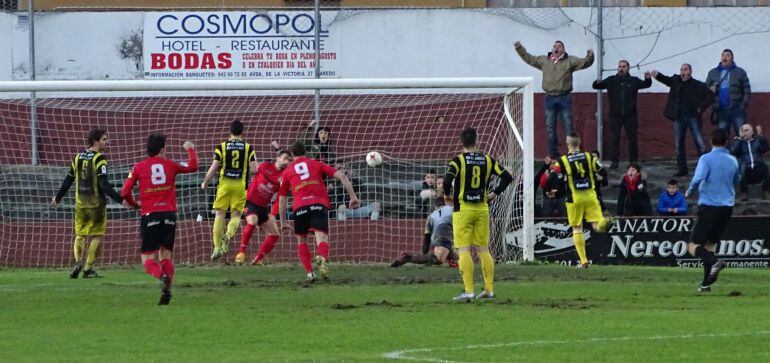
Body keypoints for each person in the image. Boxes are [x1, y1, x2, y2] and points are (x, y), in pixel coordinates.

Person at [121, 134, 198, 305]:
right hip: (169, 216)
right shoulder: (171, 165)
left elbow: (125, 192)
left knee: (148, 259)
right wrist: (190, 149)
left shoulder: (139, 167)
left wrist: (135, 204)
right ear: (162, 148)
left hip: (150, 216)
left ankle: (161, 276)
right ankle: (167, 290)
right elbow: (193, 166)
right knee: (167, 255)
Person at [443, 128, 513, 300]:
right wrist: (494, 194)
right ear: (477, 140)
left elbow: (446, 180)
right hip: (482, 208)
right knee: (483, 249)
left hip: (463, 210)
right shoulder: (487, 160)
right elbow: (507, 177)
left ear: (461, 142)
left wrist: (446, 195)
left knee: (464, 249)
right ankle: (489, 289)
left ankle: (469, 291)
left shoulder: (458, 161)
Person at [278, 141, 360, 282]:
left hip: (300, 208)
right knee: (321, 238)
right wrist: (353, 197)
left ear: (292, 155)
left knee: (302, 241)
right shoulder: (317, 163)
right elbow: (342, 177)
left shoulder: (287, 172)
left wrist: (283, 222)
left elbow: (282, 199)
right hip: (318, 205)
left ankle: (310, 273)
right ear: (306, 152)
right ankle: (321, 258)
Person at [51, 129, 125, 279]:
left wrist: (58, 198)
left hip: (81, 204)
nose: (107, 142)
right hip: (97, 205)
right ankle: (88, 269)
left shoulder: (77, 157)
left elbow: (68, 180)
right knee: (96, 236)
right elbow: (104, 184)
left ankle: (78, 262)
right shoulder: (100, 159)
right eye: (104, 139)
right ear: (95, 141)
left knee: (80, 235)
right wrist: (121, 199)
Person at [514, 40, 594, 157]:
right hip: (549, 99)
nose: (556, 47)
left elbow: (585, 63)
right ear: (552, 49)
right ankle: (553, 155)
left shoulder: (570, 61)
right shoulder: (544, 61)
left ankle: (572, 153)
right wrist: (519, 48)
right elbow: (529, 58)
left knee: (568, 127)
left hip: (564, 98)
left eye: (560, 46)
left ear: (563, 50)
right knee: (550, 128)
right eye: (555, 46)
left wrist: (590, 56)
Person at [684, 128, 740, 292]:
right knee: (709, 245)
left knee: (693, 246)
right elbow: (737, 179)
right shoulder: (733, 160)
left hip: (709, 206)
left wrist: (690, 190)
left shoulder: (706, 159)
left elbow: (699, 177)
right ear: (726, 142)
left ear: (710, 141)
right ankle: (705, 284)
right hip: (727, 207)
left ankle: (716, 262)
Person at [201, 120, 257, 261]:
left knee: (219, 214)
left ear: (230, 132)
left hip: (224, 185)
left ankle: (217, 248)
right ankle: (228, 235)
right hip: (240, 186)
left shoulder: (222, 147)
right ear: (242, 132)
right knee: (236, 216)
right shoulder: (248, 148)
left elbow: (214, 168)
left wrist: (205, 182)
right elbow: (255, 169)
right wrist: (242, 172)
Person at [556, 132, 612, 269]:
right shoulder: (589, 157)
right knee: (596, 225)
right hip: (590, 196)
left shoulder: (562, 161)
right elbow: (601, 168)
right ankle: (607, 221)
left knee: (577, 228)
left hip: (574, 198)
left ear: (567, 143)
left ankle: (583, 261)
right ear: (579, 143)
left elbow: (557, 175)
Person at [651, 65, 714, 177]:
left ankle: (706, 168)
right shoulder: (676, 81)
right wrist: (657, 75)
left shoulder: (697, 85)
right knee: (679, 144)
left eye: (685, 69)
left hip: (693, 117)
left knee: (700, 143)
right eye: (681, 69)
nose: (683, 72)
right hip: (679, 117)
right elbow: (666, 80)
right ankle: (682, 170)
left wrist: (701, 108)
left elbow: (710, 96)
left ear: (690, 71)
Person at [234, 149, 293, 266]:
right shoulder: (265, 166)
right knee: (252, 221)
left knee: (275, 234)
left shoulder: (284, 178)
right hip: (249, 202)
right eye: (285, 158)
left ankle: (256, 260)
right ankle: (241, 253)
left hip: (263, 208)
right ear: (278, 158)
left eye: (289, 160)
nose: (287, 161)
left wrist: (273, 213)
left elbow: (279, 199)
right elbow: (252, 169)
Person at [592, 60, 652, 168]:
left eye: (624, 66)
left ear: (628, 68)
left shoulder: (634, 80)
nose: (621, 68)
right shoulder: (611, 80)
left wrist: (648, 78)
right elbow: (596, 86)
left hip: (630, 115)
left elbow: (646, 85)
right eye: (619, 66)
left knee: (632, 139)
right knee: (614, 139)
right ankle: (614, 161)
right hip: (615, 115)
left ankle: (633, 161)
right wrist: (597, 82)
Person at [390, 198, 458, 268]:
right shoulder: (451, 209)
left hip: (436, 238)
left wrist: (424, 254)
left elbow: (427, 237)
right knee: (439, 259)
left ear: (435, 207)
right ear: (445, 204)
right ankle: (407, 258)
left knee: (459, 258)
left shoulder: (430, 216)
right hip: (444, 234)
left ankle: (451, 259)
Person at [705, 49, 751, 137]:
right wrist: (711, 89)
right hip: (720, 109)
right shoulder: (712, 73)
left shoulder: (740, 72)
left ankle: (741, 151)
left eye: (728, 55)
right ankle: (725, 151)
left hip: (737, 108)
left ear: (732, 58)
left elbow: (747, 89)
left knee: (741, 133)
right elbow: (705, 90)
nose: (725, 57)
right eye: (723, 55)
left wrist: (742, 106)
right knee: (722, 135)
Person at [729, 123, 769, 200]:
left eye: (746, 130)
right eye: (742, 131)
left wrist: (761, 136)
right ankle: (744, 193)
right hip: (747, 168)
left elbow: (765, 148)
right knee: (741, 169)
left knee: (765, 167)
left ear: (751, 132)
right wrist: (738, 140)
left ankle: (766, 191)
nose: (744, 132)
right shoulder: (739, 143)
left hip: (758, 166)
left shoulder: (757, 141)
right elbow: (732, 151)